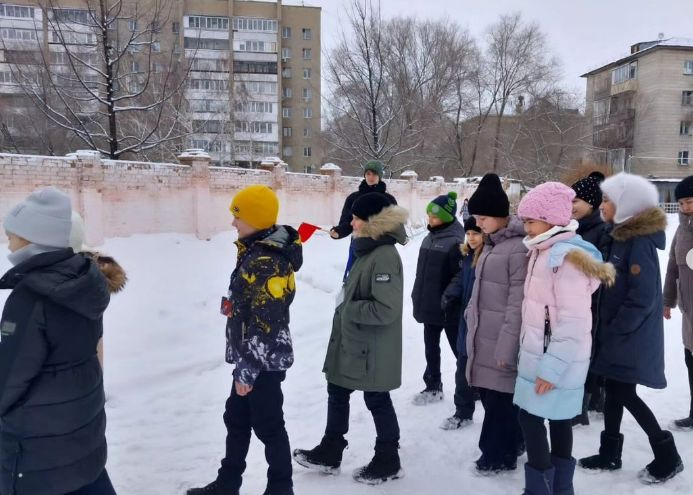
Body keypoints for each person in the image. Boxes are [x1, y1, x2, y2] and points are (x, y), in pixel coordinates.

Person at [0, 187, 125, 495]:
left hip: (38, 441)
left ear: (32, 239)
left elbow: (10, 378)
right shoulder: (87, 282)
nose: (7, 241)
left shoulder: (30, 297)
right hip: (82, 422)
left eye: (12, 234)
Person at [188, 185, 303, 495]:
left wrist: (247, 372)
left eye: (238, 216)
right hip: (248, 360)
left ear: (255, 218)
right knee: (236, 420)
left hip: (262, 362)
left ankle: (281, 490)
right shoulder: (253, 251)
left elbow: (267, 323)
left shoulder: (267, 261)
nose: (233, 223)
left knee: (269, 427)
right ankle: (228, 484)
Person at [293, 193, 408, 485]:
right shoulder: (367, 248)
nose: (351, 222)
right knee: (337, 387)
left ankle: (388, 458)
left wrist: (348, 306)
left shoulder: (383, 255)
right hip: (356, 341)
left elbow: (386, 309)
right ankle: (331, 450)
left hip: (372, 347)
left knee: (377, 398)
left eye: (356, 218)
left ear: (372, 221)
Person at [578, 173, 684, 485]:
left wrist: (614, 328)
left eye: (608, 200)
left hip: (629, 336)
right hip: (616, 334)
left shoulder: (637, 242)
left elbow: (643, 297)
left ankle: (667, 454)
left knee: (623, 391)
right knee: (614, 389)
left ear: (625, 206)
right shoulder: (617, 237)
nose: (602, 205)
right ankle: (610, 452)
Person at [513, 182, 615, 495]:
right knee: (556, 420)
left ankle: (541, 489)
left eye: (531, 221)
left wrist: (551, 369)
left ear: (552, 220)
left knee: (531, 418)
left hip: (554, 360)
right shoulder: (541, 251)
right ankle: (559, 489)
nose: (525, 227)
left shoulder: (564, 258)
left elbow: (573, 322)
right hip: (540, 354)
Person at [465, 173, 528, 474]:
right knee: (492, 397)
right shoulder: (490, 244)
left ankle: (496, 455)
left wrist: (508, 344)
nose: (479, 223)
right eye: (476, 216)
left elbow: (517, 303)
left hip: (502, 339)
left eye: (484, 217)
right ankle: (513, 443)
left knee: (500, 399)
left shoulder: (518, 248)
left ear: (501, 216)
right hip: (484, 334)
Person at [411, 192, 466, 405]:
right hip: (429, 305)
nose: (430, 220)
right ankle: (433, 386)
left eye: (434, 217)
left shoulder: (455, 242)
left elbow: (460, 275)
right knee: (430, 348)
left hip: (448, 307)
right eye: (428, 216)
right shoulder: (428, 238)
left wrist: (447, 296)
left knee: (458, 350)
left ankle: (472, 386)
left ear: (446, 217)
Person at [570, 171, 611, 426]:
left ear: (592, 203)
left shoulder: (602, 232)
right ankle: (592, 398)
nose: (571, 205)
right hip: (578, 304)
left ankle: (584, 405)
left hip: (594, 306)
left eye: (576, 200)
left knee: (589, 354)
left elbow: (603, 272)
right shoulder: (579, 229)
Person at [440, 216, 484, 430]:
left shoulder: (488, 257)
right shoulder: (468, 256)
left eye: (476, 233)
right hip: (466, 321)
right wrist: (451, 294)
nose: (471, 238)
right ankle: (463, 411)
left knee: (484, 371)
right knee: (462, 368)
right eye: (468, 234)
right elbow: (462, 280)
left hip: (484, 323)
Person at [329, 161, 397, 281]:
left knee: (377, 280)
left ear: (380, 176)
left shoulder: (389, 200)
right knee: (356, 279)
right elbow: (346, 221)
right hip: (358, 245)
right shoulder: (353, 198)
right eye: (368, 173)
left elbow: (394, 224)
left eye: (374, 174)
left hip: (380, 245)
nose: (370, 177)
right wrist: (338, 231)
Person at [663, 174, 693, 431]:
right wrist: (667, 301)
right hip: (689, 311)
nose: (685, 208)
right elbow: (672, 266)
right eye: (682, 203)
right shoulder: (681, 231)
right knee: (690, 361)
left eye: (690, 201)